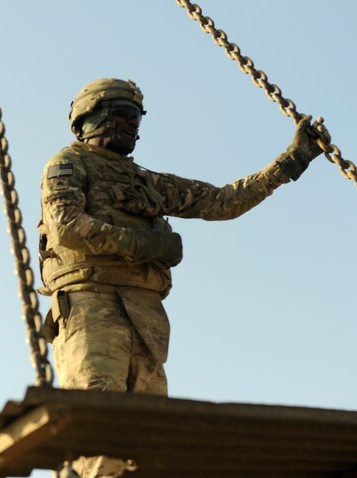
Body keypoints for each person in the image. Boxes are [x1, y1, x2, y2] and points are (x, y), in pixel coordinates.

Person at [39, 77, 327, 397]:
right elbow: (66, 225)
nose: (133, 123)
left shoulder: (145, 181)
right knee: (99, 416)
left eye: (138, 115)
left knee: (149, 430)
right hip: (90, 303)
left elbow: (221, 202)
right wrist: (144, 244)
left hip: (144, 312)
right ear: (89, 117)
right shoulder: (68, 163)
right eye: (123, 112)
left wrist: (292, 160)